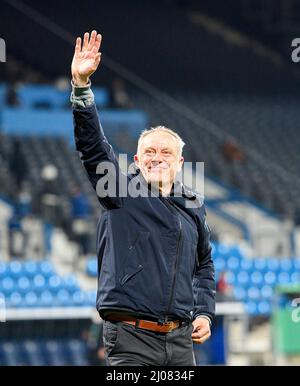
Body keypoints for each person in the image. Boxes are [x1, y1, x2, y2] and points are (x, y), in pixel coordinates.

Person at [71, 30, 215, 366]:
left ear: (180, 163)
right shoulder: (120, 191)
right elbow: (92, 147)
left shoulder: (192, 203)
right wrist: (81, 88)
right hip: (131, 338)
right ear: (136, 160)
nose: (157, 157)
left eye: (166, 152)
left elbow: (204, 265)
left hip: (180, 342)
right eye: (148, 152)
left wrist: (205, 312)